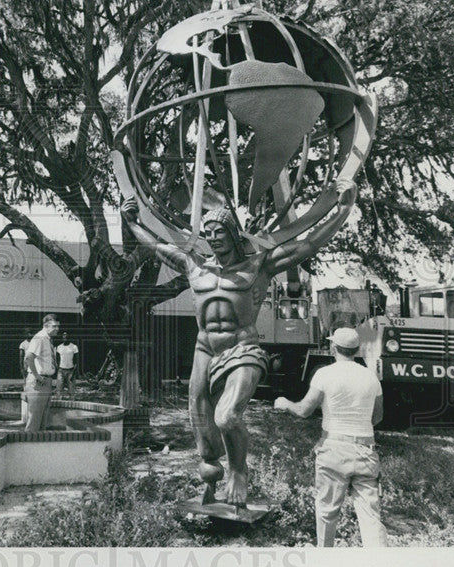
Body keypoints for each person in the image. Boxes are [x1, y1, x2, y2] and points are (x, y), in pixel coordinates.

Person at [121, 180, 357, 505]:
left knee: (227, 417)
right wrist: (133, 222)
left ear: (232, 233)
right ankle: (210, 480)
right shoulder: (194, 267)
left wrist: (342, 210)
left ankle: (239, 471)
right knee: (200, 426)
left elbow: (307, 245)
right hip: (205, 350)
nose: (213, 238)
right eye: (208, 232)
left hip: (242, 349)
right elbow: (157, 247)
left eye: (219, 231)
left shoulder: (258, 266)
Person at [273, 327, 388, 547]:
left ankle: (325, 560)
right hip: (366, 450)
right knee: (371, 518)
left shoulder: (324, 374)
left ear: (333, 347)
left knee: (327, 512)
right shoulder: (371, 377)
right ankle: (379, 564)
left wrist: (285, 403)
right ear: (357, 349)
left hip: (333, 449)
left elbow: (304, 411)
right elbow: (378, 417)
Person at [23, 314, 60, 431]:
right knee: (34, 420)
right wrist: (37, 376)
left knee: (43, 419)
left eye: (58, 326)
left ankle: (37, 447)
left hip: (46, 381)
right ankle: (28, 447)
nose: (57, 329)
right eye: (54, 326)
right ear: (46, 326)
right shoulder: (40, 338)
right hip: (39, 383)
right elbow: (28, 357)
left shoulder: (47, 339)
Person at [55, 332, 79, 397]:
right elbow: (57, 359)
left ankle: (72, 402)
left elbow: (77, 360)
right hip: (61, 371)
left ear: (69, 338)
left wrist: (74, 371)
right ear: (62, 338)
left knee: (71, 391)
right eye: (64, 337)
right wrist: (58, 369)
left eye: (67, 337)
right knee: (59, 390)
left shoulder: (74, 347)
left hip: (71, 370)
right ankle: (59, 403)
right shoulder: (59, 347)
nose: (65, 338)